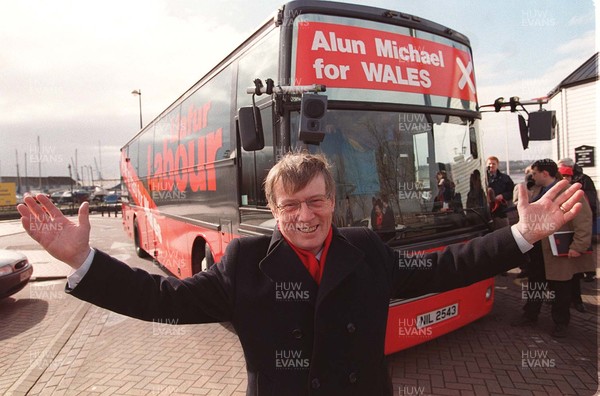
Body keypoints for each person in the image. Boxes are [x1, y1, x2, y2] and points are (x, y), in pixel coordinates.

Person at [17, 152, 584, 395]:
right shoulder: (244, 262)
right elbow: (163, 298)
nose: (304, 215)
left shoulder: (367, 252)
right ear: (275, 211)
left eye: (315, 201)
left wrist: (520, 235)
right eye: (291, 207)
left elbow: (446, 267)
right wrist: (82, 262)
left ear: (333, 200)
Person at [511, 159, 593, 338]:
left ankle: (561, 323)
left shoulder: (568, 192)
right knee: (535, 282)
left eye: (534, 173)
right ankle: (530, 314)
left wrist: (578, 246)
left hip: (560, 250)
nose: (531, 177)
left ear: (544, 173)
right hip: (538, 248)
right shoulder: (536, 191)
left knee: (561, 287)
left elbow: (584, 220)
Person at [558, 158, 598, 282]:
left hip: (583, 211)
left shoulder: (584, 179)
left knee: (585, 241)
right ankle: (578, 272)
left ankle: (589, 272)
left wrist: (589, 210)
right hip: (572, 213)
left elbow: (591, 197)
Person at [486, 156, 515, 229]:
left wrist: (503, 196)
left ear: (497, 165)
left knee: (504, 233)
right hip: (486, 214)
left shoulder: (505, 178)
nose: (491, 166)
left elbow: (512, 192)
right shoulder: (483, 179)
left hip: (501, 212)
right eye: (489, 164)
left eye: (493, 164)